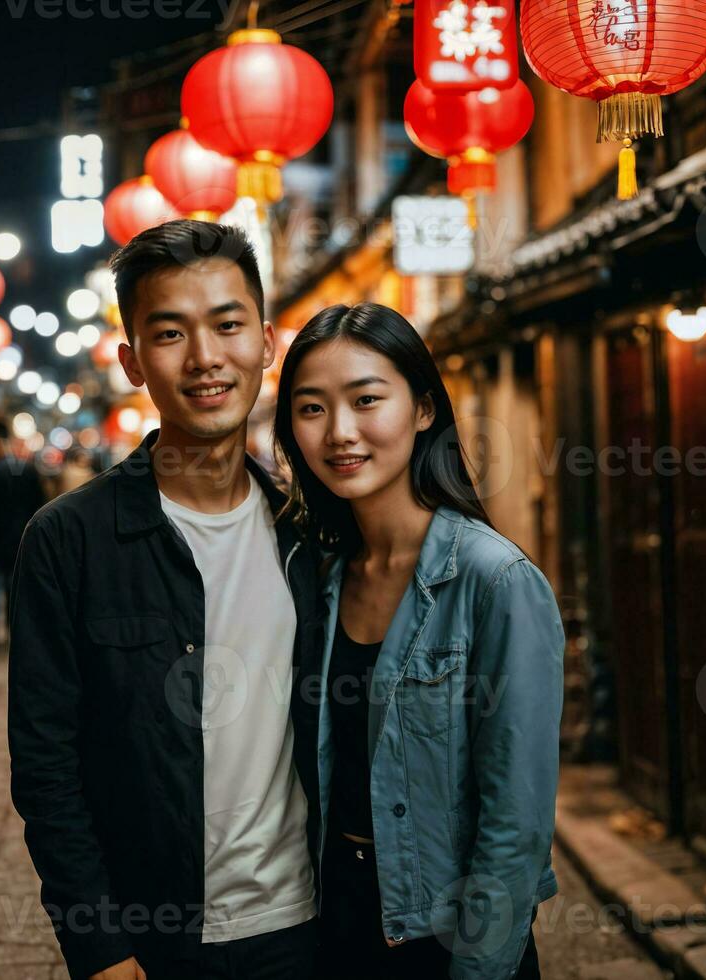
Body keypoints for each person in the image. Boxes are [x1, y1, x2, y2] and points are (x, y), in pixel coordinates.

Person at [8, 220, 322, 980]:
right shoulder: (68, 541)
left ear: (267, 342)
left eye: (228, 325)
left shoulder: (312, 533)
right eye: (171, 333)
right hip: (154, 941)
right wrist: (99, 944)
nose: (206, 358)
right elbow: (46, 764)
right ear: (133, 362)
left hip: (310, 927)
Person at [273, 303, 563, 979]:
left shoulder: (494, 582)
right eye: (311, 408)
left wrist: (481, 967)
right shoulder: (319, 578)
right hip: (337, 921)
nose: (340, 432)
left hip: (443, 935)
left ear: (424, 409)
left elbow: (515, 825)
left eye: (367, 399)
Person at [0, 419, 45, 643]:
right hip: (24, 539)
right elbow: (41, 506)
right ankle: (12, 627)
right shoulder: (29, 469)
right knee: (15, 587)